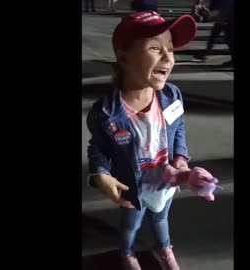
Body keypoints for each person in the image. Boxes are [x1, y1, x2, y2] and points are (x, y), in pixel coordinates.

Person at [86, 11, 196, 270]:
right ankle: (127, 252)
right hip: (132, 186)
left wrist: (180, 160)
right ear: (123, 57)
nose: (168, 57)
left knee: (160, 219)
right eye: (155, 48)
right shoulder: (105, 112)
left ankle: (164, 247)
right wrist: (100, 173)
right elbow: (98, 148)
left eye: (170, 48)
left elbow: (179, 129)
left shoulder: (172, 96)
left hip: (164, 182)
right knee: (130, 225)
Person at [193, 0, 233, 66]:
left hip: (225, 17)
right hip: (223, 17)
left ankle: (206, 53)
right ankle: (206, 53)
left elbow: (222, 9)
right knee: (215, 36)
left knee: (229, 38)